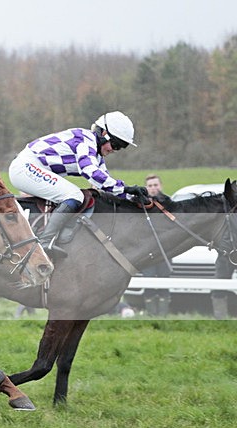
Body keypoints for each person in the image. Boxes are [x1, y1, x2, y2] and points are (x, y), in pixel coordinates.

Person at [9, 111, 147, 257]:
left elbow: (105, 182)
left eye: (120, 147)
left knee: (72, 194)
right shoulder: (85, 140)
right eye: (115, 144)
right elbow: (91, 172)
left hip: (32, 168)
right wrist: (125, 187)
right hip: (25, 167)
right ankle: (44, 241)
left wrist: (131, 197)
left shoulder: (96, 154)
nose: (114, 150)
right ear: (104, 133)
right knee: (74, 195)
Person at [141, 174, 172, 316]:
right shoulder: (141, 203)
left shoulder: (168, 202)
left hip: (165, 249)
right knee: (148, 281)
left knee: (164, 281)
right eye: (150, 186)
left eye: (155, 185)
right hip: (148, 251)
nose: (153, 188)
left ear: (161, 186)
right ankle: (151, 315)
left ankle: (163, 315)